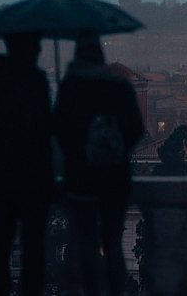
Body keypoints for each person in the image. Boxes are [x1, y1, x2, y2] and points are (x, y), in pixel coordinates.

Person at [53, 34, 144, 296]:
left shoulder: (71, 86)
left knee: (88, 244)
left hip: (81, 180)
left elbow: (59, 130)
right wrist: (116, 152)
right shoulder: (120, 87)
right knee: (113, 244)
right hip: (116, 179)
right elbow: (135, 128)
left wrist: (77, 155)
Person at [0, 32, 53, 296]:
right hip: (34, 175)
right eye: (36, 44)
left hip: (1, 173)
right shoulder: (36, 80)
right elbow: (43, 128)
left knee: (0, 244)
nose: (40, 48)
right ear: (29, 48)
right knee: (33, 247)